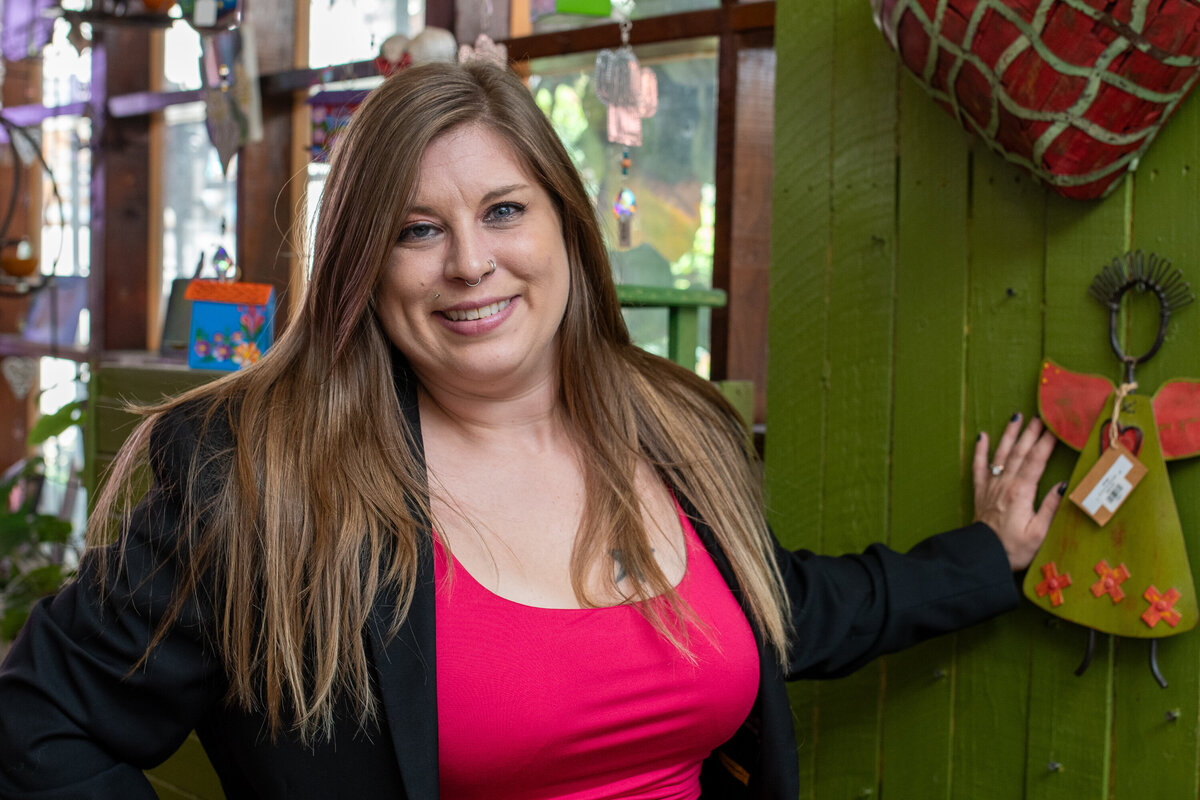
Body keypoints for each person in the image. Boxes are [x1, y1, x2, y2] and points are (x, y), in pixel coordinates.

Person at [0, 61, 1061, 800]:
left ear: (564, 225)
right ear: (364, 268)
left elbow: (779, 603)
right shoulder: (259, 474)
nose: (470, 262)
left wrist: (988, 557)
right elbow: (39, 720)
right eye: (419, 230)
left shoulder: (671, 424)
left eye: (504, 211)